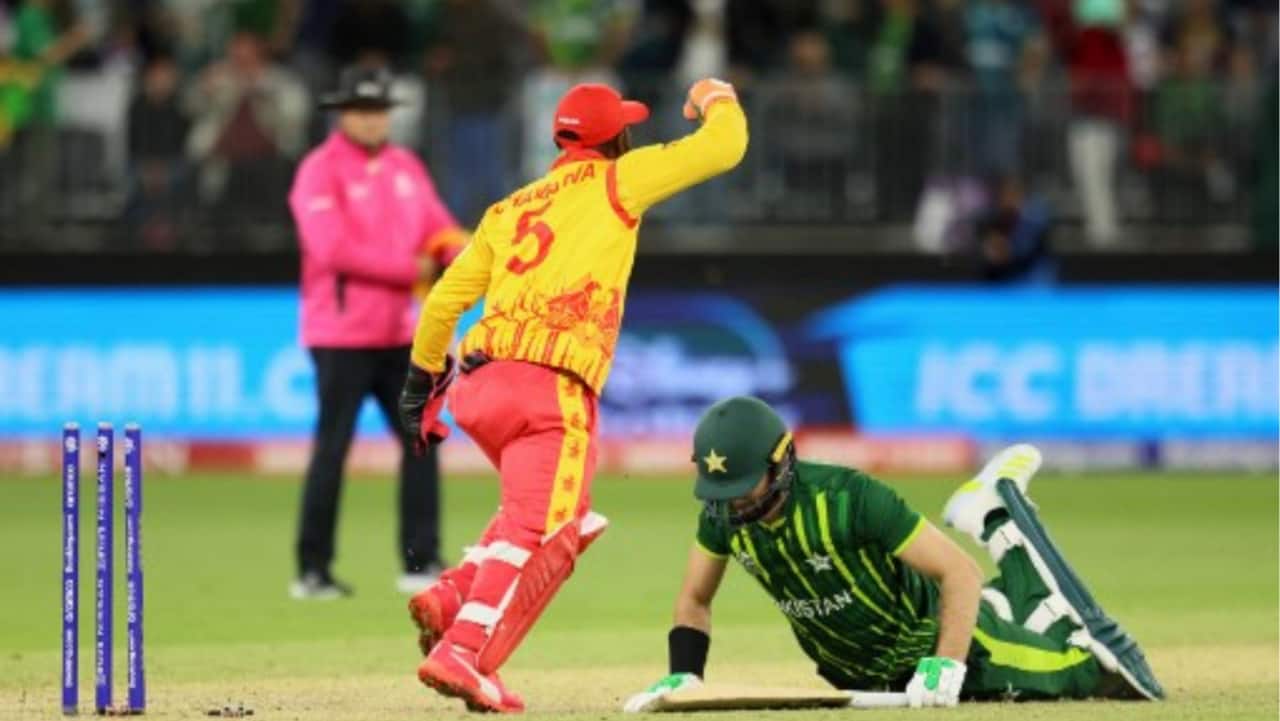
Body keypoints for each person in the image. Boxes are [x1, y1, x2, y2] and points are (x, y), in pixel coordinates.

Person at [398, 78, 749, 712]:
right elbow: (725, 148)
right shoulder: (621, 180)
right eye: (627, 127)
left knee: (541, 508)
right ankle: (464, 650)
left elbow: (445, 300)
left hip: (480, 385)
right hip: (548, 386)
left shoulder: (509, 209)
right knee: (546, 526)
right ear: (616, 136)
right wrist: (713, 93)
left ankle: (453, 594)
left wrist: (420, 384)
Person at [624, 396, 1164, 711]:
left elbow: (958, 572)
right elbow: (694, 598)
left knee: (1085, 671)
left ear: (783, 461)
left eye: (744, 486)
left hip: (951, 645)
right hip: (865, 675)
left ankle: (998, 513)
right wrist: (685, 675)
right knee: (1008, 610)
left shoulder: (851, 498)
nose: (734, 504)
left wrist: (946, 664)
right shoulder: (720, 513)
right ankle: (1014, 591)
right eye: (722, 491)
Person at [288, 66, 468, 600]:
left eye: (380, 111)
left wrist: (465, 261)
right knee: (333, 448)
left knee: (420, 441)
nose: (373, 121)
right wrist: (412, 271)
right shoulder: (319, 171)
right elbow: (331, 250)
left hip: (401, 335)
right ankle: (312, 570)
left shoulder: (405, 166)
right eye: (363, 111)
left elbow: (441, 232)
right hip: (341, 334)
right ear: (343, 114)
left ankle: (420, 560)